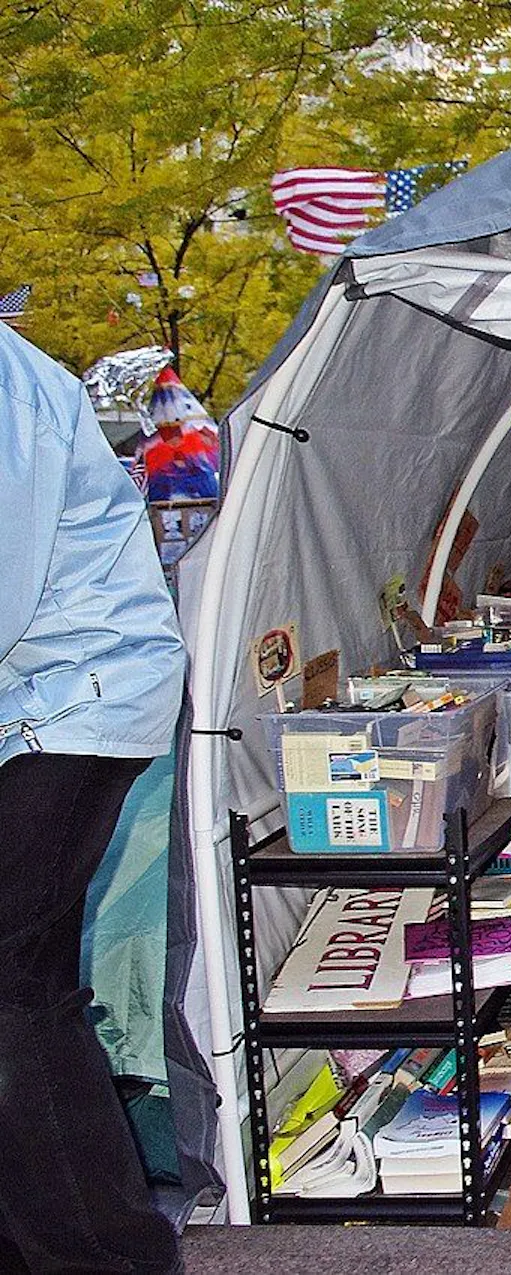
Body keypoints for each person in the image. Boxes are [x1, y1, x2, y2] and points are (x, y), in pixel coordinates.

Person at [0, 325, 186, 1274]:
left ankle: (101, 1250)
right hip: (53, 706)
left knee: (14, 988)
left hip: (71, 703)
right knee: (23, 986)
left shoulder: (7, 387)